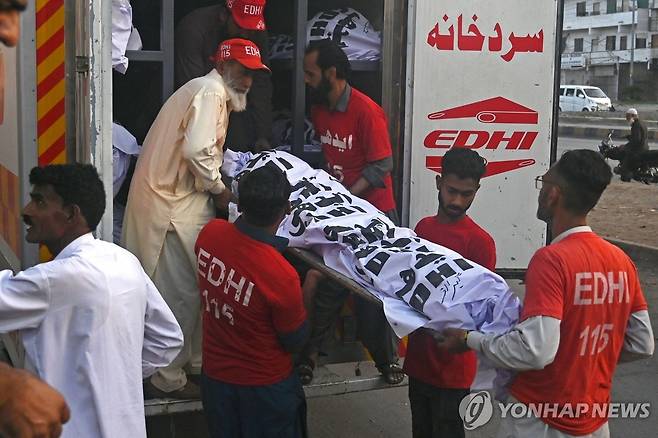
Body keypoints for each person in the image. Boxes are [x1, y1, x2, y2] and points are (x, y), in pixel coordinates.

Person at [437, 149, 654, 438]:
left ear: (553, 194)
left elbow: (534, 350)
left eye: (543, 182)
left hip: (539, 419)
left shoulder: (552, 260)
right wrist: (583, 357)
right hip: (594, 420)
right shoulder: (620, 261)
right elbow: (641, 342)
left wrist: (469, 339)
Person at [122, 37, 270, 399]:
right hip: (171, 205)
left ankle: (194, 365)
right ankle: (168, 378)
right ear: (222, 66)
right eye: (242, 70)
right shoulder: (211, 91)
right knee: (183, 294)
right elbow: (197, 150)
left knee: (190, 290)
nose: (248, 81)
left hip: (177, 201)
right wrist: (220, 190)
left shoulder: (208, 92)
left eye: (253, 74)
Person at [0, 163, 184, 438]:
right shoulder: (124, 260)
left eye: (39, 201)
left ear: (71, 213)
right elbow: (167, 340)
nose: (27, 210)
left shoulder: (55, 279)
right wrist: (114, 374)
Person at [296, 38, 402, 386]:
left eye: (311, 74)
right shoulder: (319, 109)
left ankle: (387, 361)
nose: (306, 81)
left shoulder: (366, 111)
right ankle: (308, 356)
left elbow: (382, 164)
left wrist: (346, 197)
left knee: (369, 290)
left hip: (372, 215)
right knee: (322, 280)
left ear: (332, 73)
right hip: (341, 213)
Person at [196, 166, 309, 438]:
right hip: (265, 389)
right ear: (286, 210)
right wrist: (312, 287)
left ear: (240, 203)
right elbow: (294, 340)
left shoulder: (210, 235)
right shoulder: (280, 275)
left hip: (215, 379)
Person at [404, 148, 496, 438]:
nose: (457, 201)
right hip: (419, 362)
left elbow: (480, 311)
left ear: (477, 190)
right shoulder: (422, 229)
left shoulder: (481, 243)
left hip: (454, 370)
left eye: (466, 194)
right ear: (438, 182)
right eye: (451, 190)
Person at [175, 0, 272, 152]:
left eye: (251, 29)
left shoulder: (256, 32)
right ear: (223, 15)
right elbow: (192, 92)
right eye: (240, 26)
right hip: (196, 105)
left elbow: (261, 85)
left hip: (235, 107)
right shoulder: (195, 28)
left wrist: (263, 135)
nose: (246, 34)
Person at [619, 108, 649, 181]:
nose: (627, 119)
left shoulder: (636, 125)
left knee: (625, 163)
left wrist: (625, 146)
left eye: (627, 117)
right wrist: (628, 137)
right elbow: (638, 137)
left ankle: (626, 178)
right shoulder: (641, 123)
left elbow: (636, 140)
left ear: (632, 116)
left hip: (638, 150)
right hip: (644, 147)